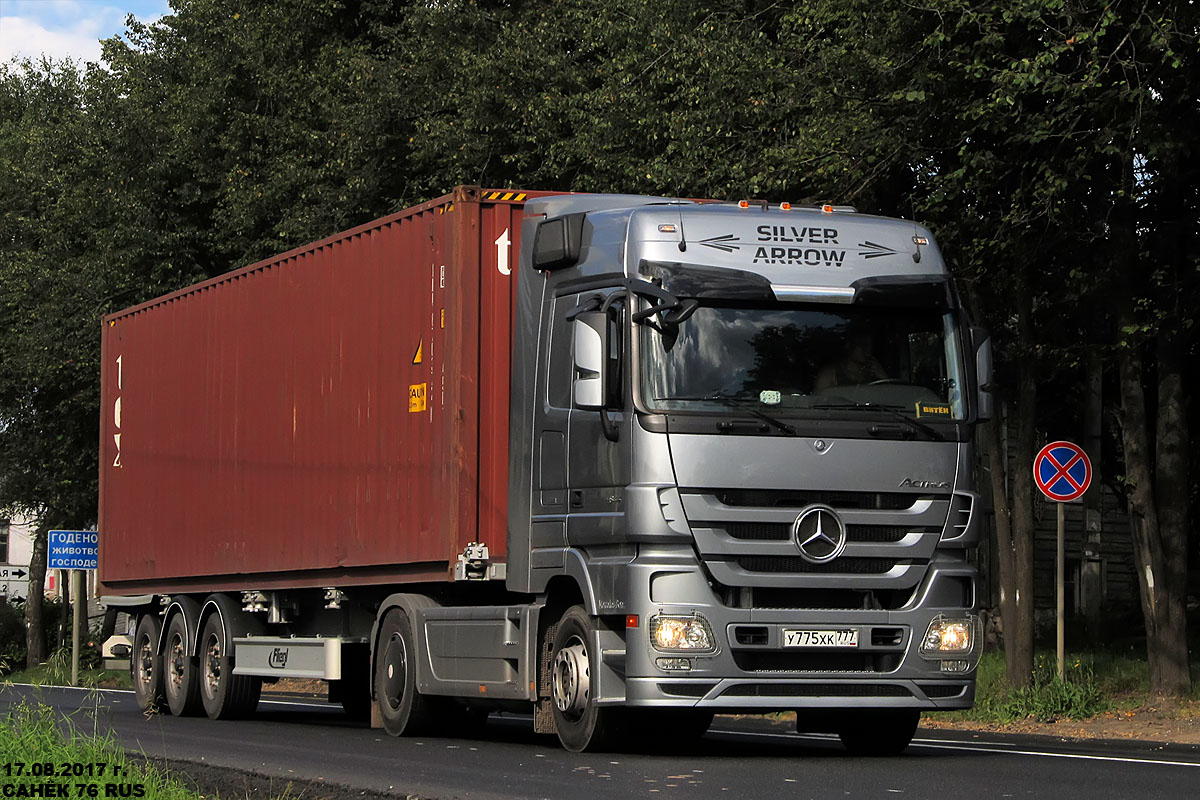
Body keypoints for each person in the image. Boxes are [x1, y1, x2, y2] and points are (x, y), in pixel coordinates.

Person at [815, 327, 887, 390]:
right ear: (849, 345)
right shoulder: (830, 374)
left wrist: (883, 376)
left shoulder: (875, 375)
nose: (866, 349)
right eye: (861, 344)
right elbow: (817, 402)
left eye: (869, 344)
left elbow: (892, 398)